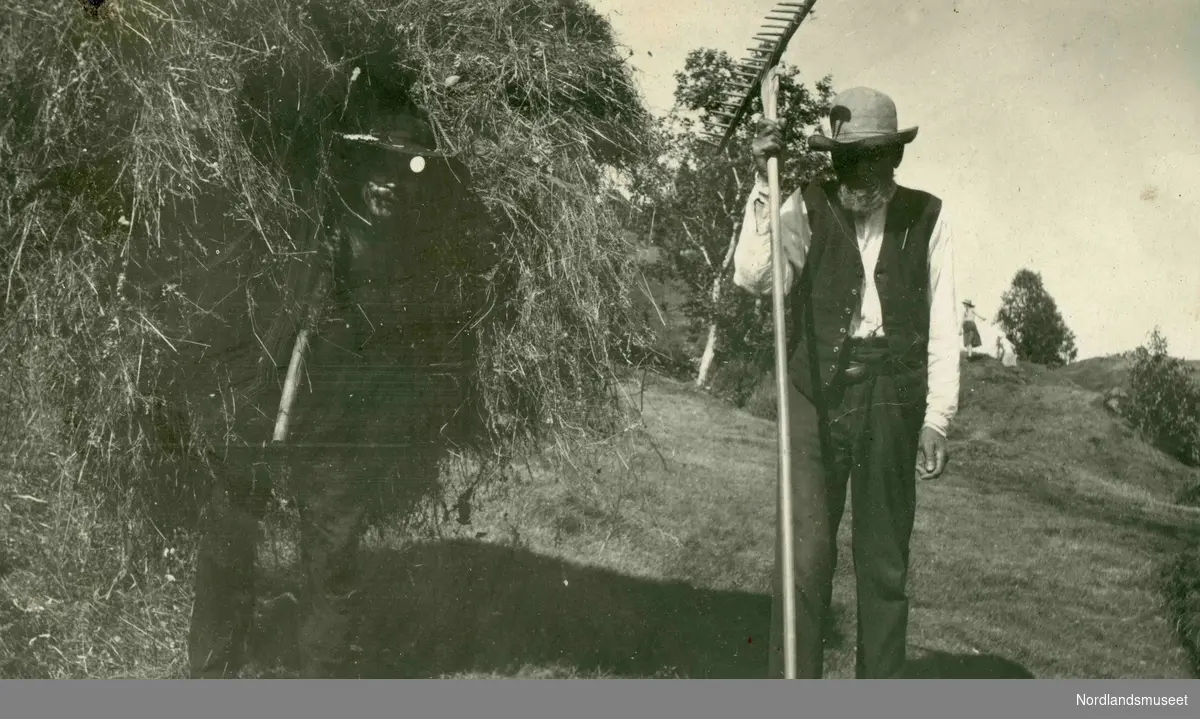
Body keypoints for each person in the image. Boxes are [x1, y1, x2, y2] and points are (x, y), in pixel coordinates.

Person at [186, 108, 510, 679]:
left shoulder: (423, 256)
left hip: (344, 429)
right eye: (377, 166)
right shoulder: (313, 226)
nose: (389, 180)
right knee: (230, 528)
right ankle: (210, 672)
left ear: (421, 179)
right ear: (357, 167)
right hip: (268, 404)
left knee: (332, 563)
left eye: (405, 170)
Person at [733, 87, 962, 679]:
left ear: (894, 156)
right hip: (814, 396)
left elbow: (944, 323)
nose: (853, 170)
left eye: (867, 156)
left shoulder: (928, 217)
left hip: (892, 397)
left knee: (884, 567)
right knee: (804, 560)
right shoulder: (803, 204)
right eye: (843, 157)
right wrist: (764, 185)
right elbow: (755, 278)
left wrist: (938, 417)